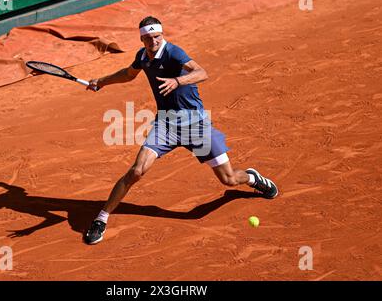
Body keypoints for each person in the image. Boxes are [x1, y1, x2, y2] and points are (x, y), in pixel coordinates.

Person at [84, 16, 278, 245]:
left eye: (157, 36)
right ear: (142, 38)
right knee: (136, 171)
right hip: (166, 124)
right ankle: (102, 218)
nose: (153, 41)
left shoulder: (174, 53)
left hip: (196, 125)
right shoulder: (142, 56)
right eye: (148, 38)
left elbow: (202, 72)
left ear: (162, 35)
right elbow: (128, 74)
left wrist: (178, 81)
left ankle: (252, 177)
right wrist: (102, 81)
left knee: (230, 179)